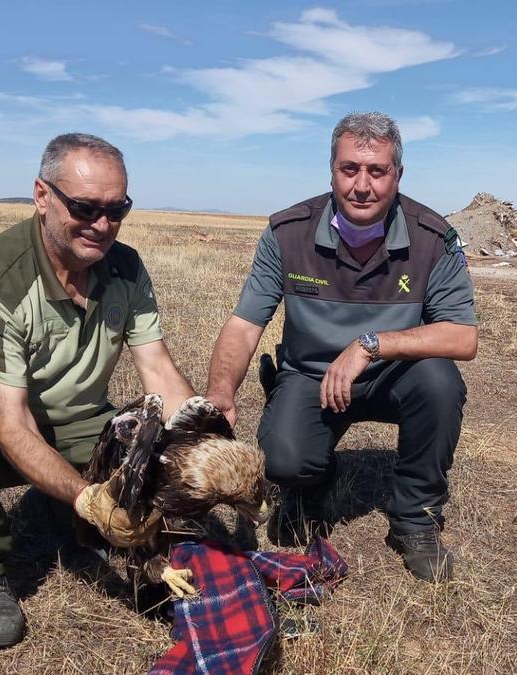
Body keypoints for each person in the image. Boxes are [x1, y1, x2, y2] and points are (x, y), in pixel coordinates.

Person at [0, 133, 195, 647]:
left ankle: (71, 518)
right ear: (42, 196)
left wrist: (203, 442)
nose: (103, 225)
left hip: (83, 425)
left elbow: (159, 374)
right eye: (84, 207)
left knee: (152, 441)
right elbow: (12, 421)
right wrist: (90, 499)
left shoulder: (125, 266)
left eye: (117, 209)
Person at [204, 112, 477, 583]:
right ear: (331, 170)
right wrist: (220, 394)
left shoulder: (433, 238)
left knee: (439, 381)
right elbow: (245, 323)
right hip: (311, 377)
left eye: (377, 171)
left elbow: (462, 337)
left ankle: (415, 519)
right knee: (284, 461)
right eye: (350, 169)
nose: (362, 185)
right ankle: (314, 479)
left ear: (398, 175)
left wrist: (371, 345)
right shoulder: (287, 232)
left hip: (394, 374)